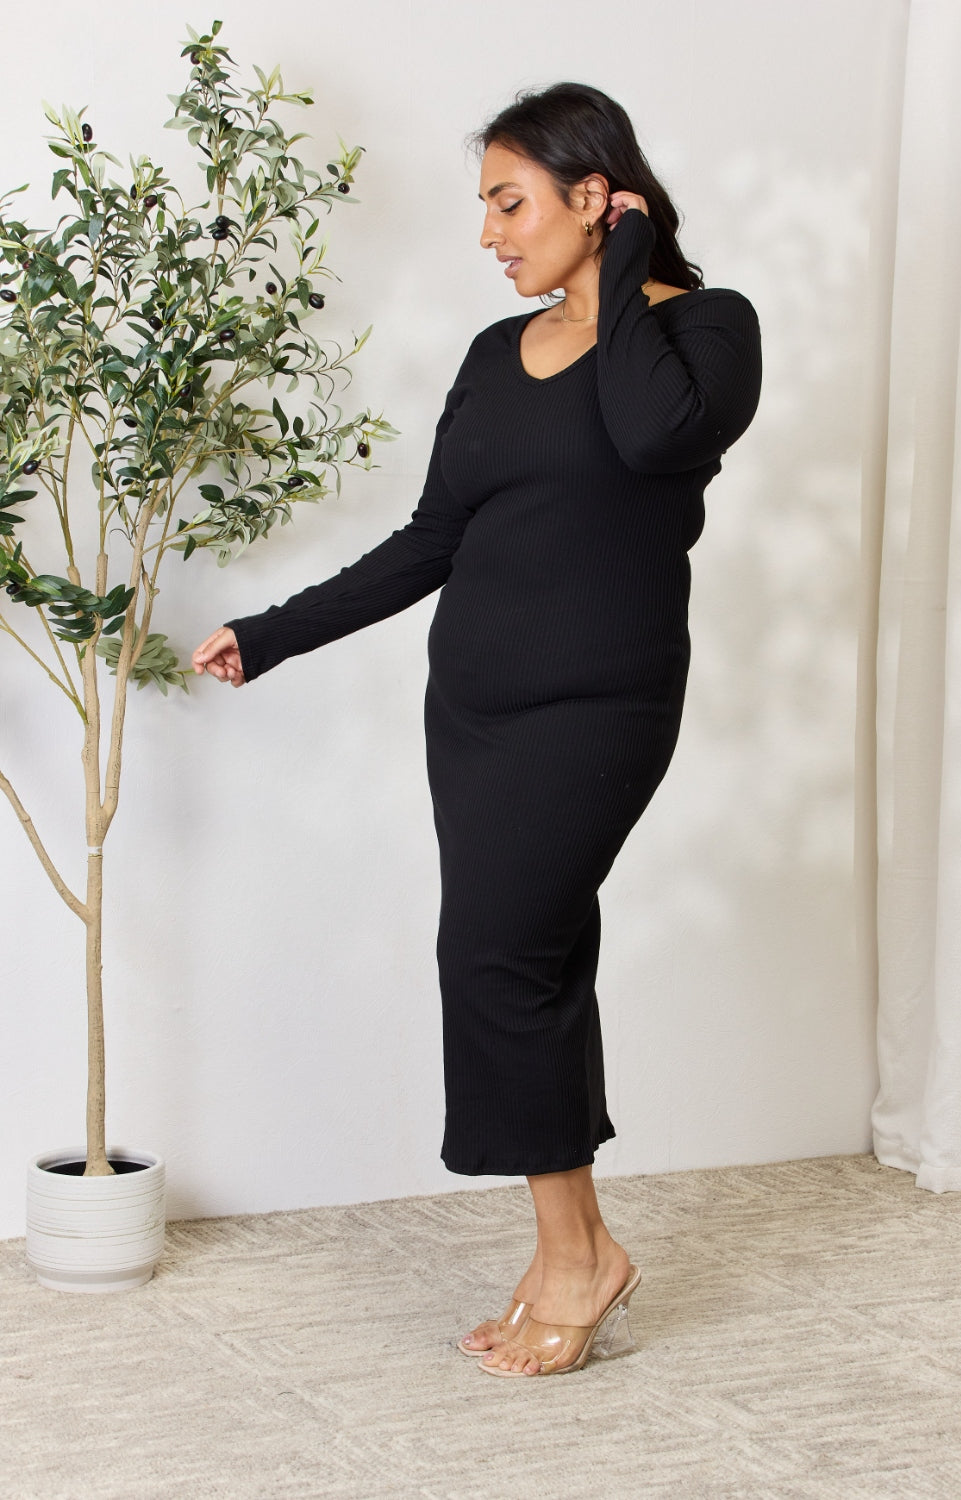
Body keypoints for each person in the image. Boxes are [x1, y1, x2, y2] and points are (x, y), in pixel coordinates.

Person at [192, 82, 762, 1377]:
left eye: (512, 203)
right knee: (533, 960)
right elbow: (434, 539)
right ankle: (572, 1247)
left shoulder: (707, 331)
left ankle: (580, 1255)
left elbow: (653, 428)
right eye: (485, 207)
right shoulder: (493, 356)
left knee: (496, 956)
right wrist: (272, 632)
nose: (491, 235)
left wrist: (622, 265)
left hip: (598, 710)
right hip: (475, 714)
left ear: (597, 197)